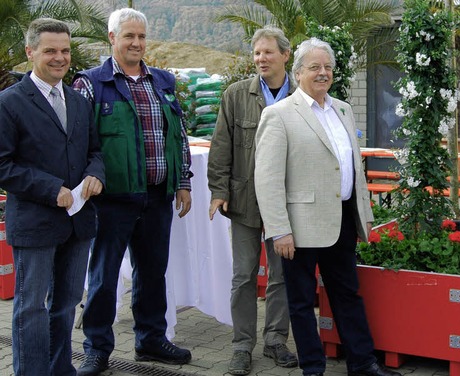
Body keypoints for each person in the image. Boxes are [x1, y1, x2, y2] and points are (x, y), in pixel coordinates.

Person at [254, 37, 400, 376]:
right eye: (315, 67)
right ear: (298, 72)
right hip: (299, 228)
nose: (323, 73)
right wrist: (279, 230)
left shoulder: (343, 109)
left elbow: (351, 168)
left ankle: (362, 363)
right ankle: (313, 368)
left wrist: (364, 214)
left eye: (328, 67)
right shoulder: (278, 115)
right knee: (302, 302)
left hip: (342, 220)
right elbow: (268, 179)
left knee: (347, 294)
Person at [72, 8, 193, 375]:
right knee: (104, 278)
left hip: (157, 196)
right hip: (111, 200)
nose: (136, 43)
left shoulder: (163, 81)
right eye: (129, 36)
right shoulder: (91, 83)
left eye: (141, 36)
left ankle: (150, 340)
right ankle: (96, 348)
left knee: (153, 272)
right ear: (112, 38)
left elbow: (179, 134)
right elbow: (80, 142)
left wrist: (183, 181)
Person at [0, 18, 105, 375]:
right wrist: (51, 190)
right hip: (35, 222)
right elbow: (3, 165)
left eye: (65, 50)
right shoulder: (9, 103)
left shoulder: (77, 100)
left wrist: (95, 174)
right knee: (31, 308)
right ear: (30, 52)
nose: (60, 58)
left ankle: (61, 369)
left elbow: (95, 150)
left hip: (78, 222)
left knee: (66, 304)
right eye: (50, 51)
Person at [207, 26, 298, 375]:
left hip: (287, 205)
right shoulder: (235, 95)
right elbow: (221, 147)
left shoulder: (299, 95)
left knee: (281, 275)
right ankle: (242, 346)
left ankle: (275, 340)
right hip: (244, 202)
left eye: (268, 52)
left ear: (285, 56)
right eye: (257, 53)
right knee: (243, 275)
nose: (260, 58)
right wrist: (219, 191)